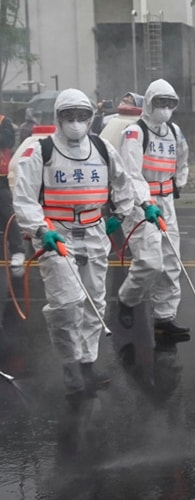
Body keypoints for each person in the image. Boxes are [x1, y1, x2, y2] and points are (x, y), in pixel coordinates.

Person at [13, 88, 136, 401]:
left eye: (83, 116)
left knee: (94, 301)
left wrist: (119, 215)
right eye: (70, 116)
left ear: (91, 117)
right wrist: (41, 230)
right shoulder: (41, 151)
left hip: (95, 231)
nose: (77, 123)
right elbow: (25, 197)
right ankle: (70, 365)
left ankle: (87, 363)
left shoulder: (102, 148)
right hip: (57, 234)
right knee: (66, 304)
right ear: (59, 117)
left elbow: (123, 183)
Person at [116, 79, 191, 340]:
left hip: (166, 202)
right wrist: (146, 203)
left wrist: (178, 184)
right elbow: (131, 173)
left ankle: (164, 318)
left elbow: (183, 159)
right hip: (141, 206)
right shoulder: (135, 133)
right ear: (148, 103)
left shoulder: (174, 131)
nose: (165, 108)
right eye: (160, 103)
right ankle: (127, 299)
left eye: (170, 104)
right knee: (150, 262)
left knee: (171, 263)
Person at [0, 112, 25, 271]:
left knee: (7, 212)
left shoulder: (3, 121)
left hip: (0, 178)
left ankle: (17, 250)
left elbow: (7, 140)